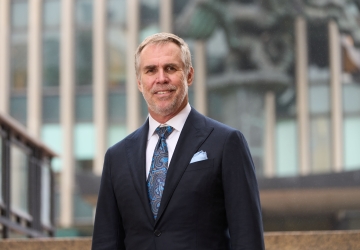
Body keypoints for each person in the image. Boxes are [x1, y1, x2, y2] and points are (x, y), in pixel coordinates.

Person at [92, 33, 265, 250]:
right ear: (139, 82)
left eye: (171, 68)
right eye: (150, 70)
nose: (161, 78)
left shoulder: (226, 143)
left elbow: (247, 238)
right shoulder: (116, 157)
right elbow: (105, 241)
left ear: (189, 75)